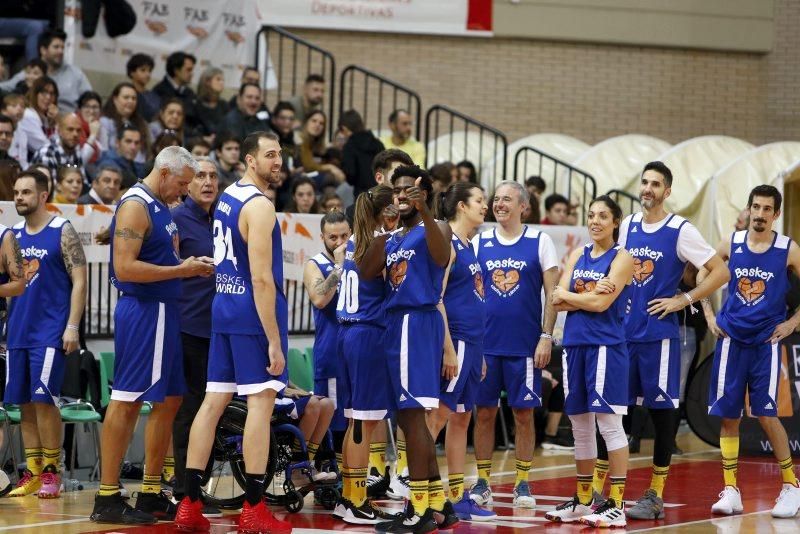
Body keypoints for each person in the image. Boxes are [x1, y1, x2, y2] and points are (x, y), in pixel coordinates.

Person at [173, 132, 292, 533]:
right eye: (270, 155)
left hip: (222, 310)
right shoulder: (260, 207)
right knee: (260, 405)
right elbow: (261, 279)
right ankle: (254, 509)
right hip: (251, 317)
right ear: (249, 159)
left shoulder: (227, 198)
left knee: (212, 403)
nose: (277, 161)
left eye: (280, 154)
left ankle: (189, 503)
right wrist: (274, 338)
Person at [90, 147, 213, 525]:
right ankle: (107, 497)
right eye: (180, 183)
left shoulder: (159, 205)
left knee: (171, 400)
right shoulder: (137, 203)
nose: (183, 191)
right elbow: (125, 268)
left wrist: (185, 267)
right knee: (126, 400)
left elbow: (145, 247)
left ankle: (149, 491)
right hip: (144, 313)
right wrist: (182, 271)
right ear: (163, 172)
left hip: (166, 312)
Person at [605, 161, 730, 521]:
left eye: (655, 184)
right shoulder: (626, 224)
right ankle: (610, 495)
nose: (648, 189)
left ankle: (655, 495)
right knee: (615, 415)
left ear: (667, 191)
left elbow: (719, 272)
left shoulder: (680, 229)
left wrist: (684, 300)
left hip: (658, 338)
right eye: (644, 182)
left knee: (661, 416)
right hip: (623, 335)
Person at [359, 165, 459, 532]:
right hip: (397, 324)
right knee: (407, 418)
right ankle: (437, 505)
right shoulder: (396, 235)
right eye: (396, 190)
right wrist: (383, 233)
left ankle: (417, 511)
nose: (400, 195)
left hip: (416, 322)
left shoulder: (435, 227)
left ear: (424, 194)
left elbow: (441, 254)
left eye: (408, 190)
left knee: (413, 417)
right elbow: (368, 270)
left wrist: (426, 211)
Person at [700, 184, 800, 519]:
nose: (759, 214)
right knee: (729, 417)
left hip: (765, 343)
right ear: (749, 208)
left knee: (767, 415)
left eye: (766, 209)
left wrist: (792, 323)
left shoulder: (788, 248)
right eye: (755, 207)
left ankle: (791, 486)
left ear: (776, 214)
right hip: (730, 341)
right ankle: (731, 490)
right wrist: (710, 314)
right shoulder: (732, 242)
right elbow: (703, 273)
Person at [544, 196, 633, 528]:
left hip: (606, 348)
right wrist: (588, 295)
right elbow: (556, 297)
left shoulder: (622, 258)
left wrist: (576, 297)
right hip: (575, 346)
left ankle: (617, 503)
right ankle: (584, 501)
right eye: (591, 215)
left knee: (609, 425)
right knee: (580, 426)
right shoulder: (579, 253)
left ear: (615, 222)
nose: (595, 221)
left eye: (603, 216)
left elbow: (600, 305)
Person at [470, 180, 559, 509]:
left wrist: (546, 336)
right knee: (484, 415)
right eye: (496, 199)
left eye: (507, 199)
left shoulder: (540, 240)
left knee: (523, 415)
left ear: (524, 206)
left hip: (524, 347)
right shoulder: (480, 241)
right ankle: (482, 481)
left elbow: (553, 294)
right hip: (485, 346)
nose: (499, 204)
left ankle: (522, 483)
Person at [5, 169, 87, 498]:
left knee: (44, 401)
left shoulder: (61, 230)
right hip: (18, 332)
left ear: (42, 195)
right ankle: (33, 471)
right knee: (23, 403)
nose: (18, 197)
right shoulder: (12, 235)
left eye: (25, 192)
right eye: (16, 192)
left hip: (50, 330)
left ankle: (53, 471)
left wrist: (72, 326)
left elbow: (80, 280)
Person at [426, 182, 496, 522]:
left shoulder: (470, 245)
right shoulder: (447, 243)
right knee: (437, 417)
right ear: (461, 207)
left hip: (474, 343)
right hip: (456, 341)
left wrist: (478, 354)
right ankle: (420, 491)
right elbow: (435, 298)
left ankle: (457, 495)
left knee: (462, 418)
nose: (486, 205)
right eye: (480, 200)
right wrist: (448, 348)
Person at [332, 185, 395, 524]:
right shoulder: (380, 243)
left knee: (357, 420)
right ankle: (355, 499)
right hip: (368, 333)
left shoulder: (354, 241)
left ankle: (348, 496)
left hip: (347, 333)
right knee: (363, 422)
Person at [169, 157, 219, 505]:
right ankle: (183, 487)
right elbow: (166, 269)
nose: (208, 182)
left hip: (221, 329)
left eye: (214, 176)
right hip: (188, 326)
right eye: (200, 175)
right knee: (189, 409)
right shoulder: (176, 218)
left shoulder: (224, 220)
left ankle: (200, 482)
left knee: (213, 409)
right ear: (188, 183)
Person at [302, 211, 351, 479]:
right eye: (333, 237)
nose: (340, 241)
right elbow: (319, 300)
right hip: (331, 352)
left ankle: (356, 474)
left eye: (345, 235)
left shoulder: (359, 261)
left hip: (357, 351)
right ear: (322, 237)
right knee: (333, 420)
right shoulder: (315, 264)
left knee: (357, 416)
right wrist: (340, 266)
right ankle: (327, 472)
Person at [0, 29, 92, 112]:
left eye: (62, 48)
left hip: (70, 122)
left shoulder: (75, 73)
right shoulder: (31, 73)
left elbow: (90, 99)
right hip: (40, 120)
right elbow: (5, 87)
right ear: (43, 50)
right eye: (56, 47)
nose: (61, 51)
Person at [99, 82, 150, 162]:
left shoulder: (142, 124)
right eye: (126, 97)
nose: (130, 101)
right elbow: (103, 151)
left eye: (134, 98)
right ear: (115, 99)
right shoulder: (105, 122)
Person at [31, 112, 86, 186]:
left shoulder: (77, 152)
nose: (75, 134)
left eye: (78, 130)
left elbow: (83, 182)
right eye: (70, 129)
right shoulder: (47, 153)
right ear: (59, 131)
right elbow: (49, 188)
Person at [340, 110, 384, 200]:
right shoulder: (378, 143)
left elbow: (350, 174)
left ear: (344, 129)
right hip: (381, 192)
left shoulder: (349, 146)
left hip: (362, 195)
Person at [297, 110, 344, 185]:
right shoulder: (299, 140)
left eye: (321, 123)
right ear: (306, 122)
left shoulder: (320, 146)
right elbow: (309, 166)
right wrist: (330, 167)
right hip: (301, 178)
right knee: (330, 177)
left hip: (315, 177)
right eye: (314, 121)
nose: (317, 125)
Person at [17, 76, 58, 159]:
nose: (48, 97)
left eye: (52, 93)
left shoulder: (44, 118)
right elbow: (46, 148)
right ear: (35, 94)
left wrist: (54, 122)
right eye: (44, 92)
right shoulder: (28, 116)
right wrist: (58, 123)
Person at [94, 125, 146, 190]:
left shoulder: (133, 164)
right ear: (117, 143)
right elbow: (137, 184)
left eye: (136, 143)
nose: (133, 147)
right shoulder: (108, 163)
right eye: (128, 141)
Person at [190, 67, 228, 141]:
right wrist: (203, 138)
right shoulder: (195, 104)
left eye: (223, 80)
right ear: (207, 81)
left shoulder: (224, 105)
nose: (222, 83)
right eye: (218, 79)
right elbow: (191, 129)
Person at [126, 53, 160, 122]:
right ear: (132, 72)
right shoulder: (125, 94)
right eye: (143, 70)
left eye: (149, 71)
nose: (148, 74)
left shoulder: (154, 96)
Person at [76, 91, 105, 165]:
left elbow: (105, 154)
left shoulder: (101, 126)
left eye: (95, 107)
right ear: (79, 109)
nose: (91, 111)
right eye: (87, 106)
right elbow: (80, 162)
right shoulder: (74, 127)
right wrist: (93, 135)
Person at [3, 93, 28, 167]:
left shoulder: (23, 132)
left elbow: (23, 160)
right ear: (3, 110)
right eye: (14, 106)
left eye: (23, 107)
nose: (19, 109)